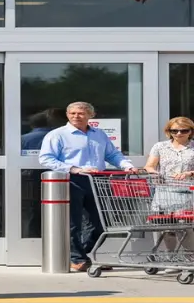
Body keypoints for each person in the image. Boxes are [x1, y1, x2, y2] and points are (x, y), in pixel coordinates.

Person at [38, 101, 136, 272]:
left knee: (99, 224)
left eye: (81, 113)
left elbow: (112, 154)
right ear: (68, 115)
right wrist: (75, 169)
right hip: (72, 180)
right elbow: (46, 159)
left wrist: (127, 166)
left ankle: (82, 255)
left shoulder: (99, 134)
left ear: (91, 115)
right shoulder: (57, 135)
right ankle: (77, 259)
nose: (76, 116)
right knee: (74, 223)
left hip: (97, 181)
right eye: (73, 113)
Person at [144, 116, 194, 256]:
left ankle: (190, 257)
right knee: (164, 225)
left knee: (185, 226)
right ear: (169, 131)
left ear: (190, 131)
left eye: (184, 130)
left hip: (187, 192)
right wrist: (155, 173)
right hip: (164, 191)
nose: (179, 133)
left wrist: (189, 173)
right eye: (174, 131)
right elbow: (149, 166)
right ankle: (169, 256)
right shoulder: (160, 146)